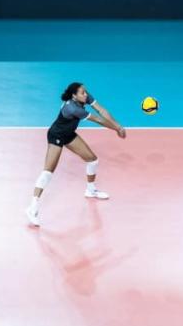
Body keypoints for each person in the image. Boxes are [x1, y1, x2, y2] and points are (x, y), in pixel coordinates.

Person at [26, 83, 126, 227]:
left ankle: (90, 190)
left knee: (92, 160)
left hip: (69, 134)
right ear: (74, 95)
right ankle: (32, 208)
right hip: (56, 136)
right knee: (48, 172)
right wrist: (117, 128)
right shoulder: (72, 108)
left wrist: (118, 125)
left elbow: (101, 110)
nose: (86, 94)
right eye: (82, 93)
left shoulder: (83, 98)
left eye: (85, 92)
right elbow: (98, 119)